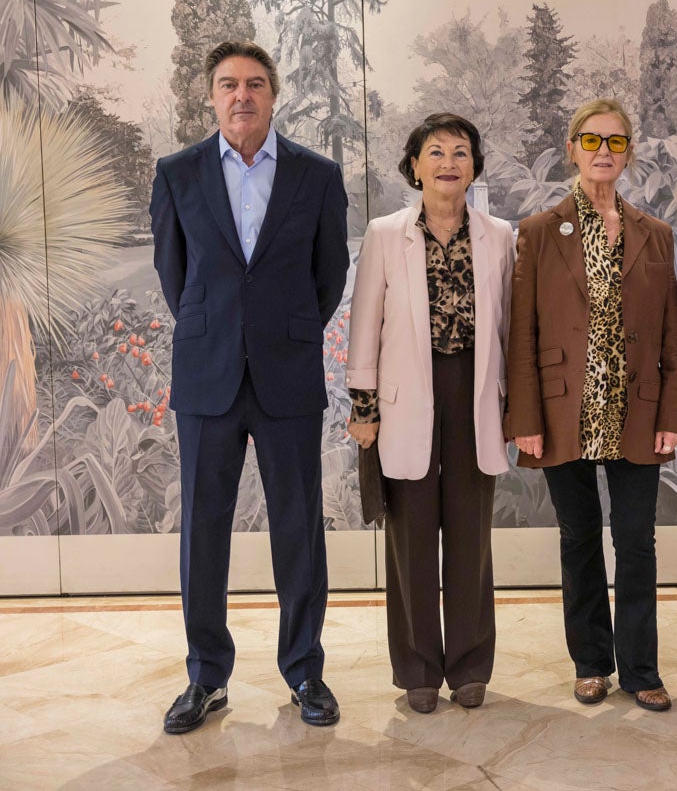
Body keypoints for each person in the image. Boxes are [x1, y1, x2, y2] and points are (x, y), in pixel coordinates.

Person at [151, 41, 350, 733]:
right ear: (212, 96)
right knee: (202, 533)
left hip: (287, 376)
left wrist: (278, 332)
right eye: (229, 84)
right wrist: (221, 333)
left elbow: (329, 277)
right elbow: (176, 279)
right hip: (207, 379)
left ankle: (304, 671)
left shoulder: (316, 176)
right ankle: (206, 677)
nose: (242, 95)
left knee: (299, 529)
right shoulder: (176, 174)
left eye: (256, 84)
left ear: (273, 95)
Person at [505, 98, 677, 713]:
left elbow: (670, 336)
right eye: (591, 141)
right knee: (578, 539)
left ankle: (640, 669)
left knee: (637, 542)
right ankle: (590, 663)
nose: (603, 152)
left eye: (615, 142)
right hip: (564, 413)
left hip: (634, 410)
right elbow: (522, 336)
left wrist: (671, 416)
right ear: (571, 149)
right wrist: (525, 420)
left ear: (629, 152)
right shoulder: (536, 232)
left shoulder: (655, 236)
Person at [345, 113, 514, 713]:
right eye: (434, 151)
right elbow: (364, 325)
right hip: (404, 401)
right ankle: (416, 668)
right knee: (411, 535)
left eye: (460, 152)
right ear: (414, 165)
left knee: (471, 535)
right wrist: (363, 409)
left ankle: (470, 665)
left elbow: (511, 329)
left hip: (474, 393)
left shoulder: (501, 235)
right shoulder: (386, 234)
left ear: (475, 166)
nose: (448, 162)